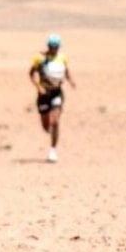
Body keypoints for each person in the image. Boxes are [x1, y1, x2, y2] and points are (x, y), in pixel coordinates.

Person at [29, 33, 76, 163]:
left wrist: (70, 81)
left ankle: (53, 150)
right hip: (43, 95)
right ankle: (52, 133)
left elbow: (66, 71)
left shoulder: (62, 58)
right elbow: (31, 73)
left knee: (55, 121)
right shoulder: (40, 59)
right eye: (52, 46)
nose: (54, 49)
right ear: (49, 46)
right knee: (46, 125)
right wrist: (38, 87)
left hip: (56, 93)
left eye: (56, 47)